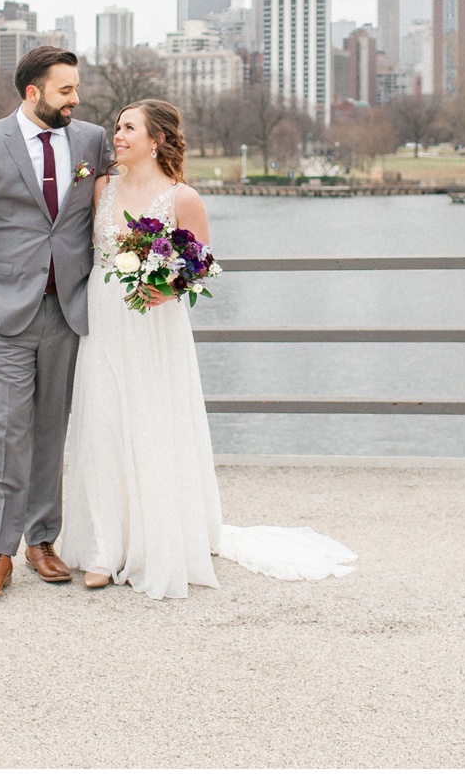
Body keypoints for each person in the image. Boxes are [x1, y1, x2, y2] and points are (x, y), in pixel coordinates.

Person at [61, 99, 356, 599]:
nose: (119, 135)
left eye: (129, 128)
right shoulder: (101, 188)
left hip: (153, 323)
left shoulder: (182, 198)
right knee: (103, 422)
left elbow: (200, 265)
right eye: (117, 127)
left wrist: (167, 288)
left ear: (156, 140)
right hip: (105, 317)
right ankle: (103, 547)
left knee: (152, 421)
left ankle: (155, 542)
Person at [0, 46, 113, 598]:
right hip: (2, 314)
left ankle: (44, 540)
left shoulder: (91, 141)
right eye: (66, 90)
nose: (76, 99)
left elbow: (115, 207)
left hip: (68, 309)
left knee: (50, 429)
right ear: (33, 92)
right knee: (8, 428)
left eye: (77, 89)